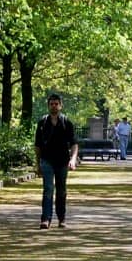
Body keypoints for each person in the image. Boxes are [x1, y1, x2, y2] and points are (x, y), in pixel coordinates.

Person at [34, 92, 78, 229]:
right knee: (48, 189)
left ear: (61, 106)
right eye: (51, 104)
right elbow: (37, 146)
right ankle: (45, 219)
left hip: (62, 161)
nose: (54, 106)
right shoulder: (42, 123)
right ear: (48, 106)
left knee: (61, 190)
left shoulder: (67, 123)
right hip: (46, 160)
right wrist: (37, 164)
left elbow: (74, 144)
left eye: (56, 104)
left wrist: (73, 159)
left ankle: (61, 218)